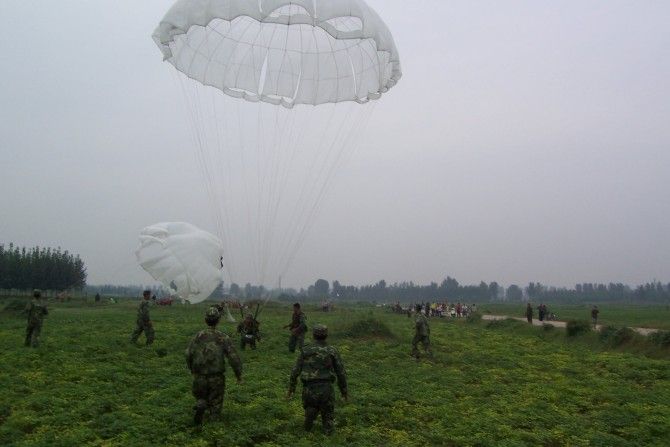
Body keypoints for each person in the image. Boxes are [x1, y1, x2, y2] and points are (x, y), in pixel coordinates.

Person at [186, 307, 243, 425]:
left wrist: (192, 369)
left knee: (201, 397)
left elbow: (188, 354)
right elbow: (234, 358)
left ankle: (201, 405)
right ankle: (213, 429)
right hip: (216, 377)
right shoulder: (223, 337)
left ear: (205, 320)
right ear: (218, 320)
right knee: (215, 403)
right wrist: (238, 375)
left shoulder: (198, 336)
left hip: (199, 376)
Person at [287, 324, 347, 435]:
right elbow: (341, 373)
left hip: (309, 389)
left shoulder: (305, 350)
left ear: (313, 335)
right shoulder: (332, 350)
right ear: (326, 335)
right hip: (326, 389)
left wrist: (291, 389)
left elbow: (295, 372)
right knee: (328, 418)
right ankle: (328, 437)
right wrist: (344, 392)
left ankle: (305, 436)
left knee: (310, 412)